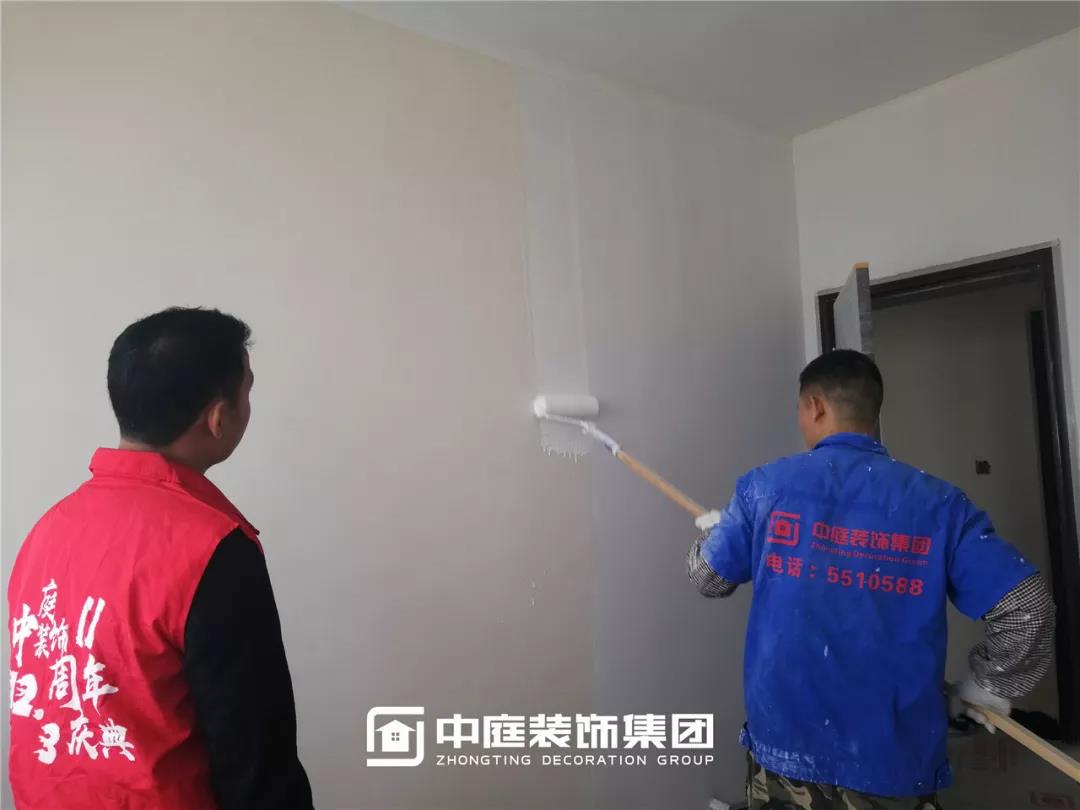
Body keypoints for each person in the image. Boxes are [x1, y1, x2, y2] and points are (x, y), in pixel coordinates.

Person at [688, 349, 1055, 810]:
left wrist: (714, 536)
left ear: (815, 406)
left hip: (787, 745)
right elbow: (1027, 606)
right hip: (893, 761)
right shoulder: (939, 503)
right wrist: (990, 684)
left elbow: (708, 579)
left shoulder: (764, 489)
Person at [8, 307, 313, 810]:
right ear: (218, 417)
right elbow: (256, 761)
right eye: (247, 391)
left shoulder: (47, 530)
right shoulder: (211, 548)